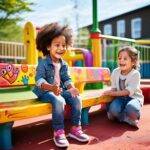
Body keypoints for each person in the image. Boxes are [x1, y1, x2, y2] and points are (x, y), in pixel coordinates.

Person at [33, 22, 89, 148]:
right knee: (58, 100)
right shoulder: (43, 63)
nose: (61, 48)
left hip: (60, 91)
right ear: (48, 46)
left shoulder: (63, 64)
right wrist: (51, 88)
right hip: (45, 92)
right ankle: (59, 132)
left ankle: (75, 128)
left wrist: (71, 88)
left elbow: (66, 78)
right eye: (57, 45)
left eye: (63, 45)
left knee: (77, 98)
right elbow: (39, 80)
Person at [102, 46, 144, 128]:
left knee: (131, 108)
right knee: (113, 110)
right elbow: (114, 88)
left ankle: (130, 115)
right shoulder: (115, 72)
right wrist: (109, 93)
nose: (121, 60)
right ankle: (126, 118)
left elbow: (127, 92)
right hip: (120, 98)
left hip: (133, 98)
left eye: (125, 59)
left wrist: (112, 93)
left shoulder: (135, 74)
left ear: (133, 62)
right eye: (119, 58)